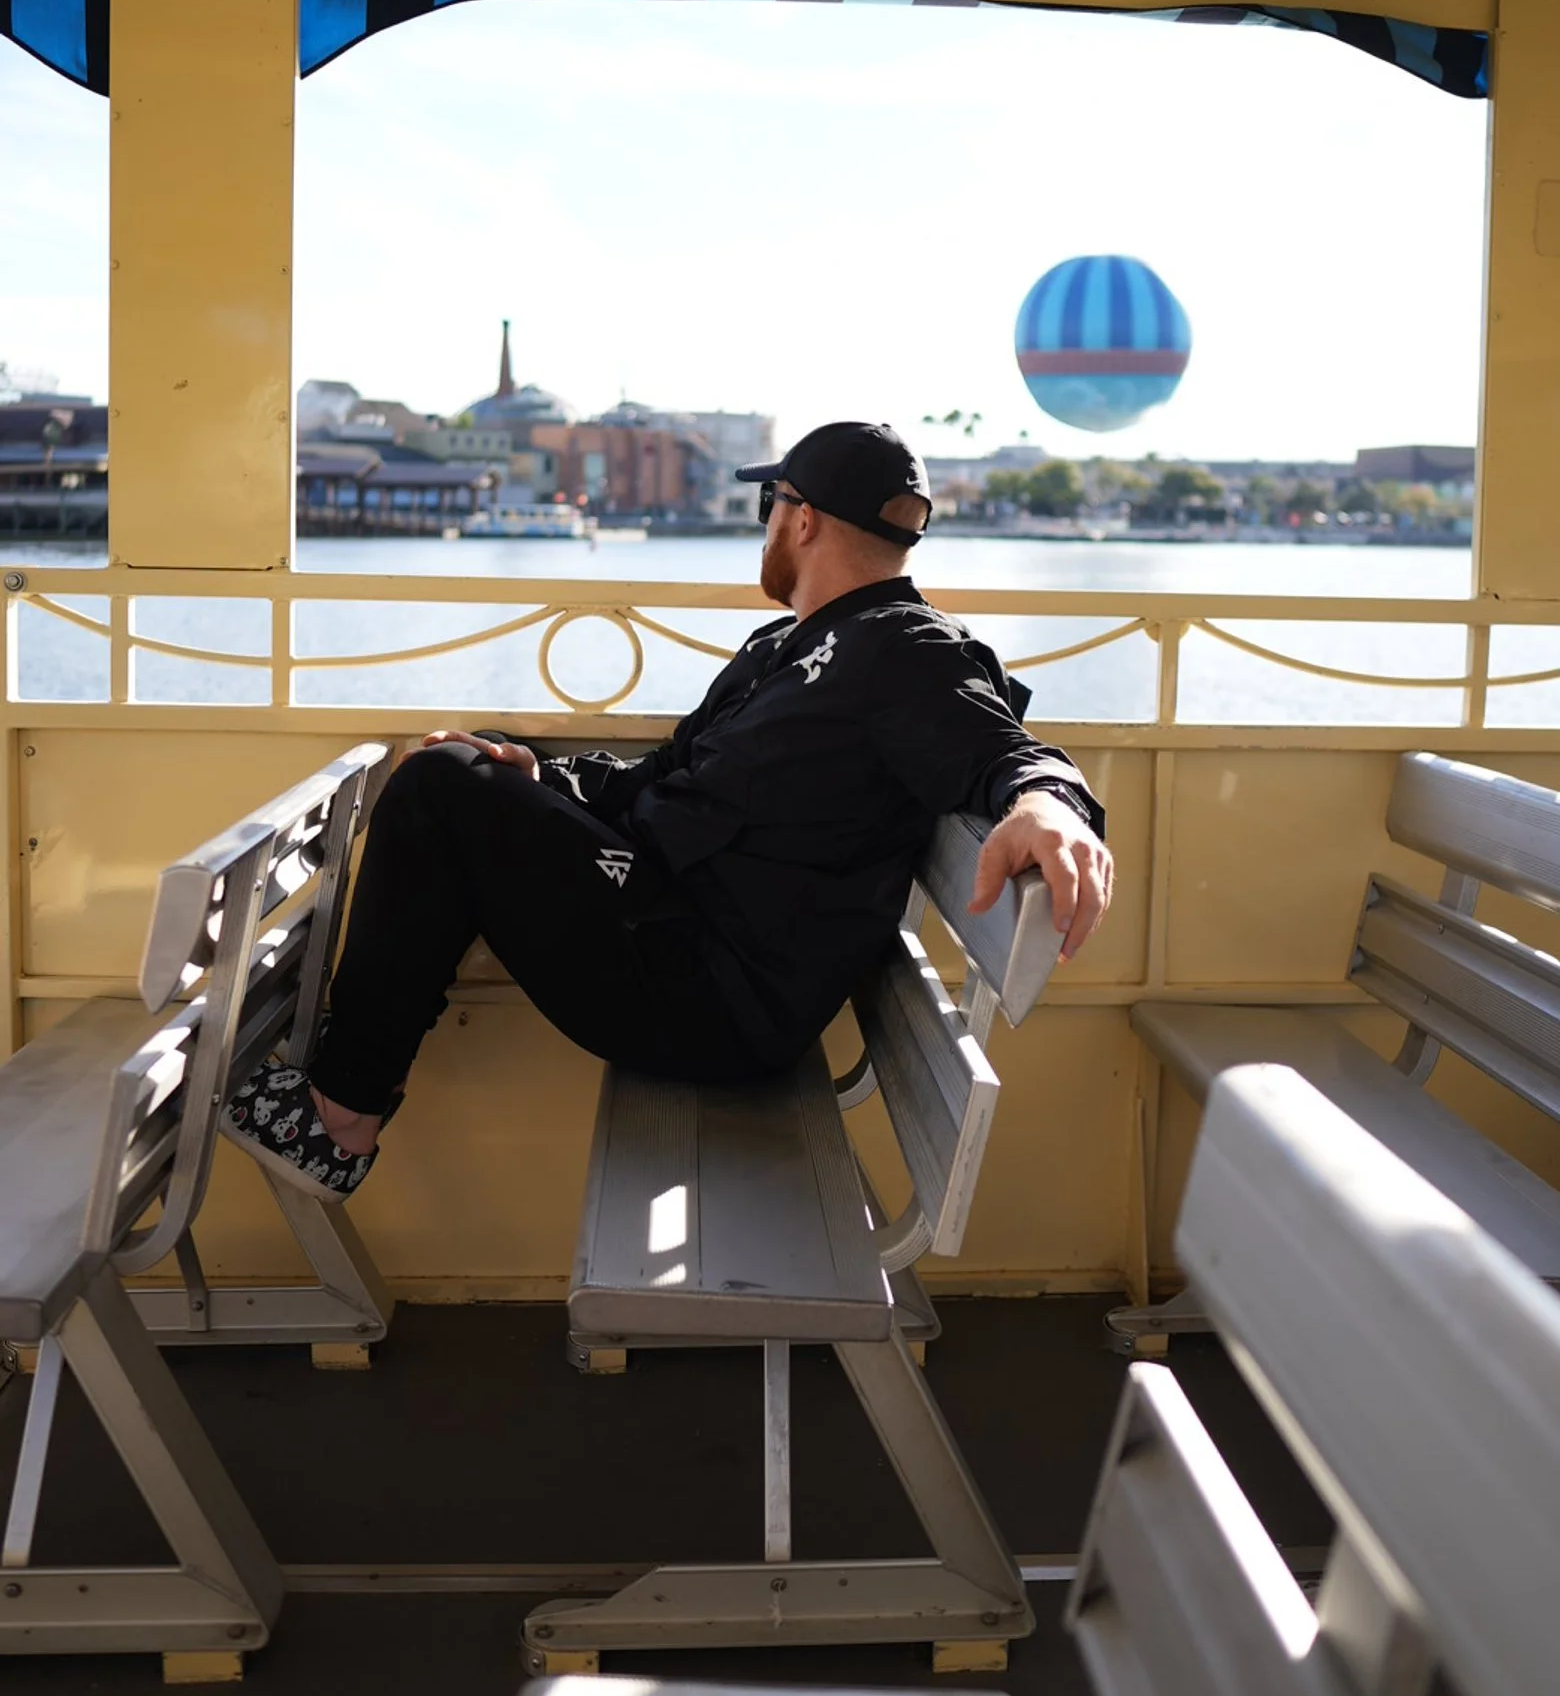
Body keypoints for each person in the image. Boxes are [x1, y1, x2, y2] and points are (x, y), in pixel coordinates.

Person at [223, 421, 1113, 1201]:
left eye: (770, 505)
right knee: (477, 759)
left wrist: (1050, 806)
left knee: (435, 789)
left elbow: (1005, 752)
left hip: (711, 995)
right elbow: (670, 777)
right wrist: (542, 775)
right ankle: (345, 1093)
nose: (766, 527)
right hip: (676, 927)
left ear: (802, 520)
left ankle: (340, 1114)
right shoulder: (788, 647)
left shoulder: (907, 651)